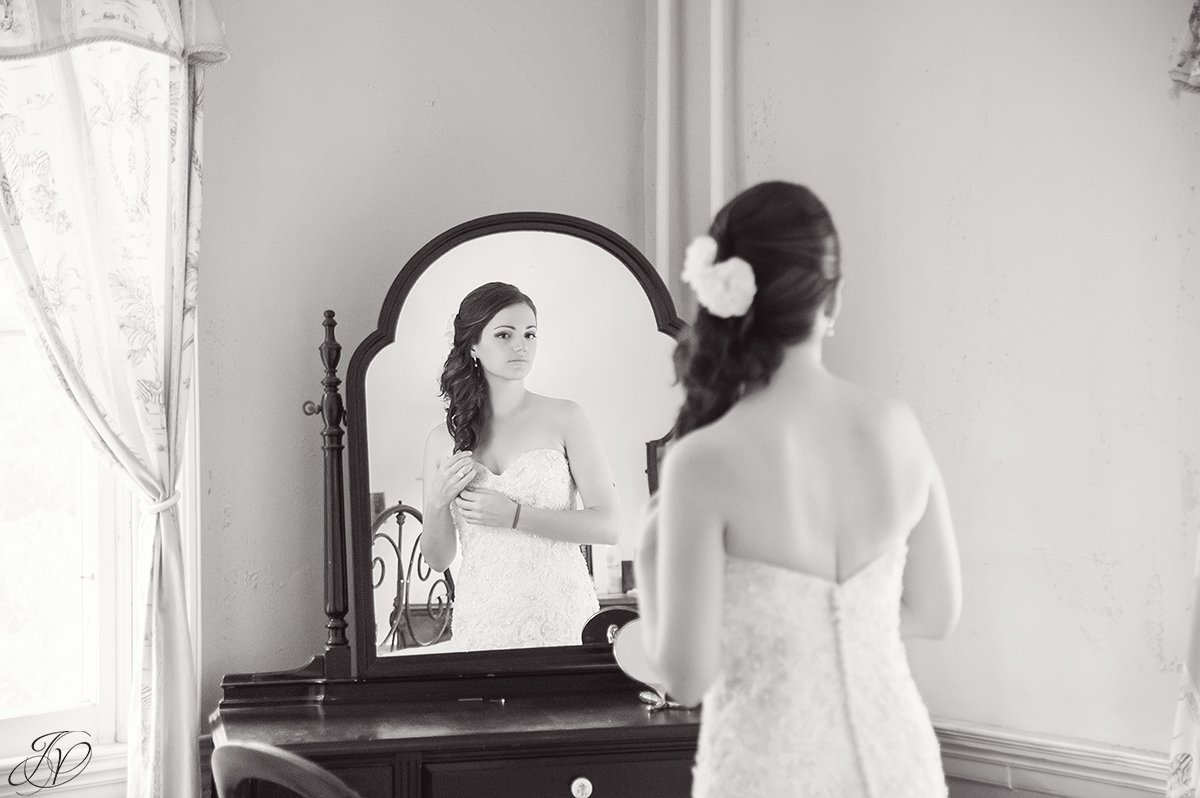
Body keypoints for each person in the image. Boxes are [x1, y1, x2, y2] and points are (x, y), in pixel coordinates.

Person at [635, 181, 961, 796]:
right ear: (831, 299)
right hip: (898, 765)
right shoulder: (897, 426)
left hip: (768, 770)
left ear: (723, 297)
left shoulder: (704, 460)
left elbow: (685, 678)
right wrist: (836, 625)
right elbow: (937, 612)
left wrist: (651, 556)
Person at [420, 281, 622, 651]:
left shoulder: (566, 417)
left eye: (529, 334)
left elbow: (609, 526)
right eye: (504, 334)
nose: (521, 345)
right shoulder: (440, 440)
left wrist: (514, 515)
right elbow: (437, 559)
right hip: (483, 620)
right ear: (474, 346)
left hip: (561, 615)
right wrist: (436, 504)